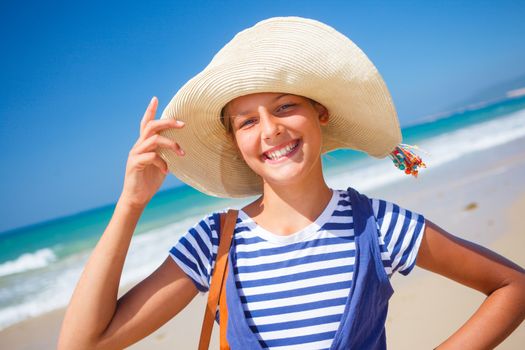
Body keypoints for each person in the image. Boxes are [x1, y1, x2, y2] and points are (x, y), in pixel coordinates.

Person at [58, 17, 525, 349]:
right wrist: (131, 203)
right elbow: (83, 343)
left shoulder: (377, 226)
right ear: (235, 141)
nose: (270, 130)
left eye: (284, 107)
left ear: (320, 114)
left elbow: (512, 286)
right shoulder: (214, 245)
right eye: (246, 121)